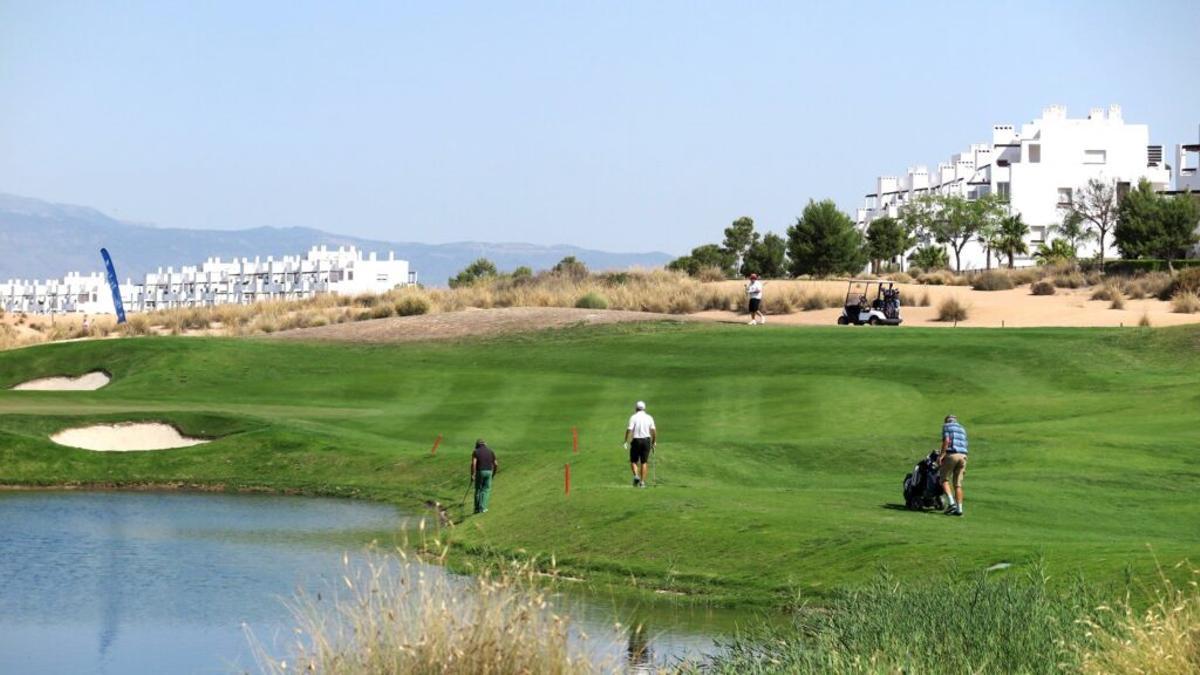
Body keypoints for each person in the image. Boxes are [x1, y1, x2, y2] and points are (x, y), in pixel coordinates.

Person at [938, 414, 968, 516]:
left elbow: (946, 440)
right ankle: (959, 509)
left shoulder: (946, 426)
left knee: (944, 479)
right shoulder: (962, 429)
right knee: (958, 484)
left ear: (947, 421)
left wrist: (941, 455)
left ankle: (951, 504)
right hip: (963, 456)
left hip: (952, 455)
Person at [624, 401, 656, 488]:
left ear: (636, 408)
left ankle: (636, 476)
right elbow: (653, 430)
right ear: (644, 408)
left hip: (636, 441)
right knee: (644, 462)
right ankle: (642, 483)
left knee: (633, 461)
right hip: (646, 441)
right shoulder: (649, 417)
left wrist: (625, 441)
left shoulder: (633, 417)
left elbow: (629, 429)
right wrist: (653, 442)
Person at [470, 439, 498, 514]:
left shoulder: (475, 452)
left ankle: (476, 509)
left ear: (477, 445)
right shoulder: (491, 451)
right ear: (485, 444)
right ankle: (483, 508)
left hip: (480, 472)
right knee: (486, 490)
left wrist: (473, 474)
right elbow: (496, 464)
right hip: (489, 472)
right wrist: (493, 473)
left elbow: (474, 464)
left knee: (478, 489)